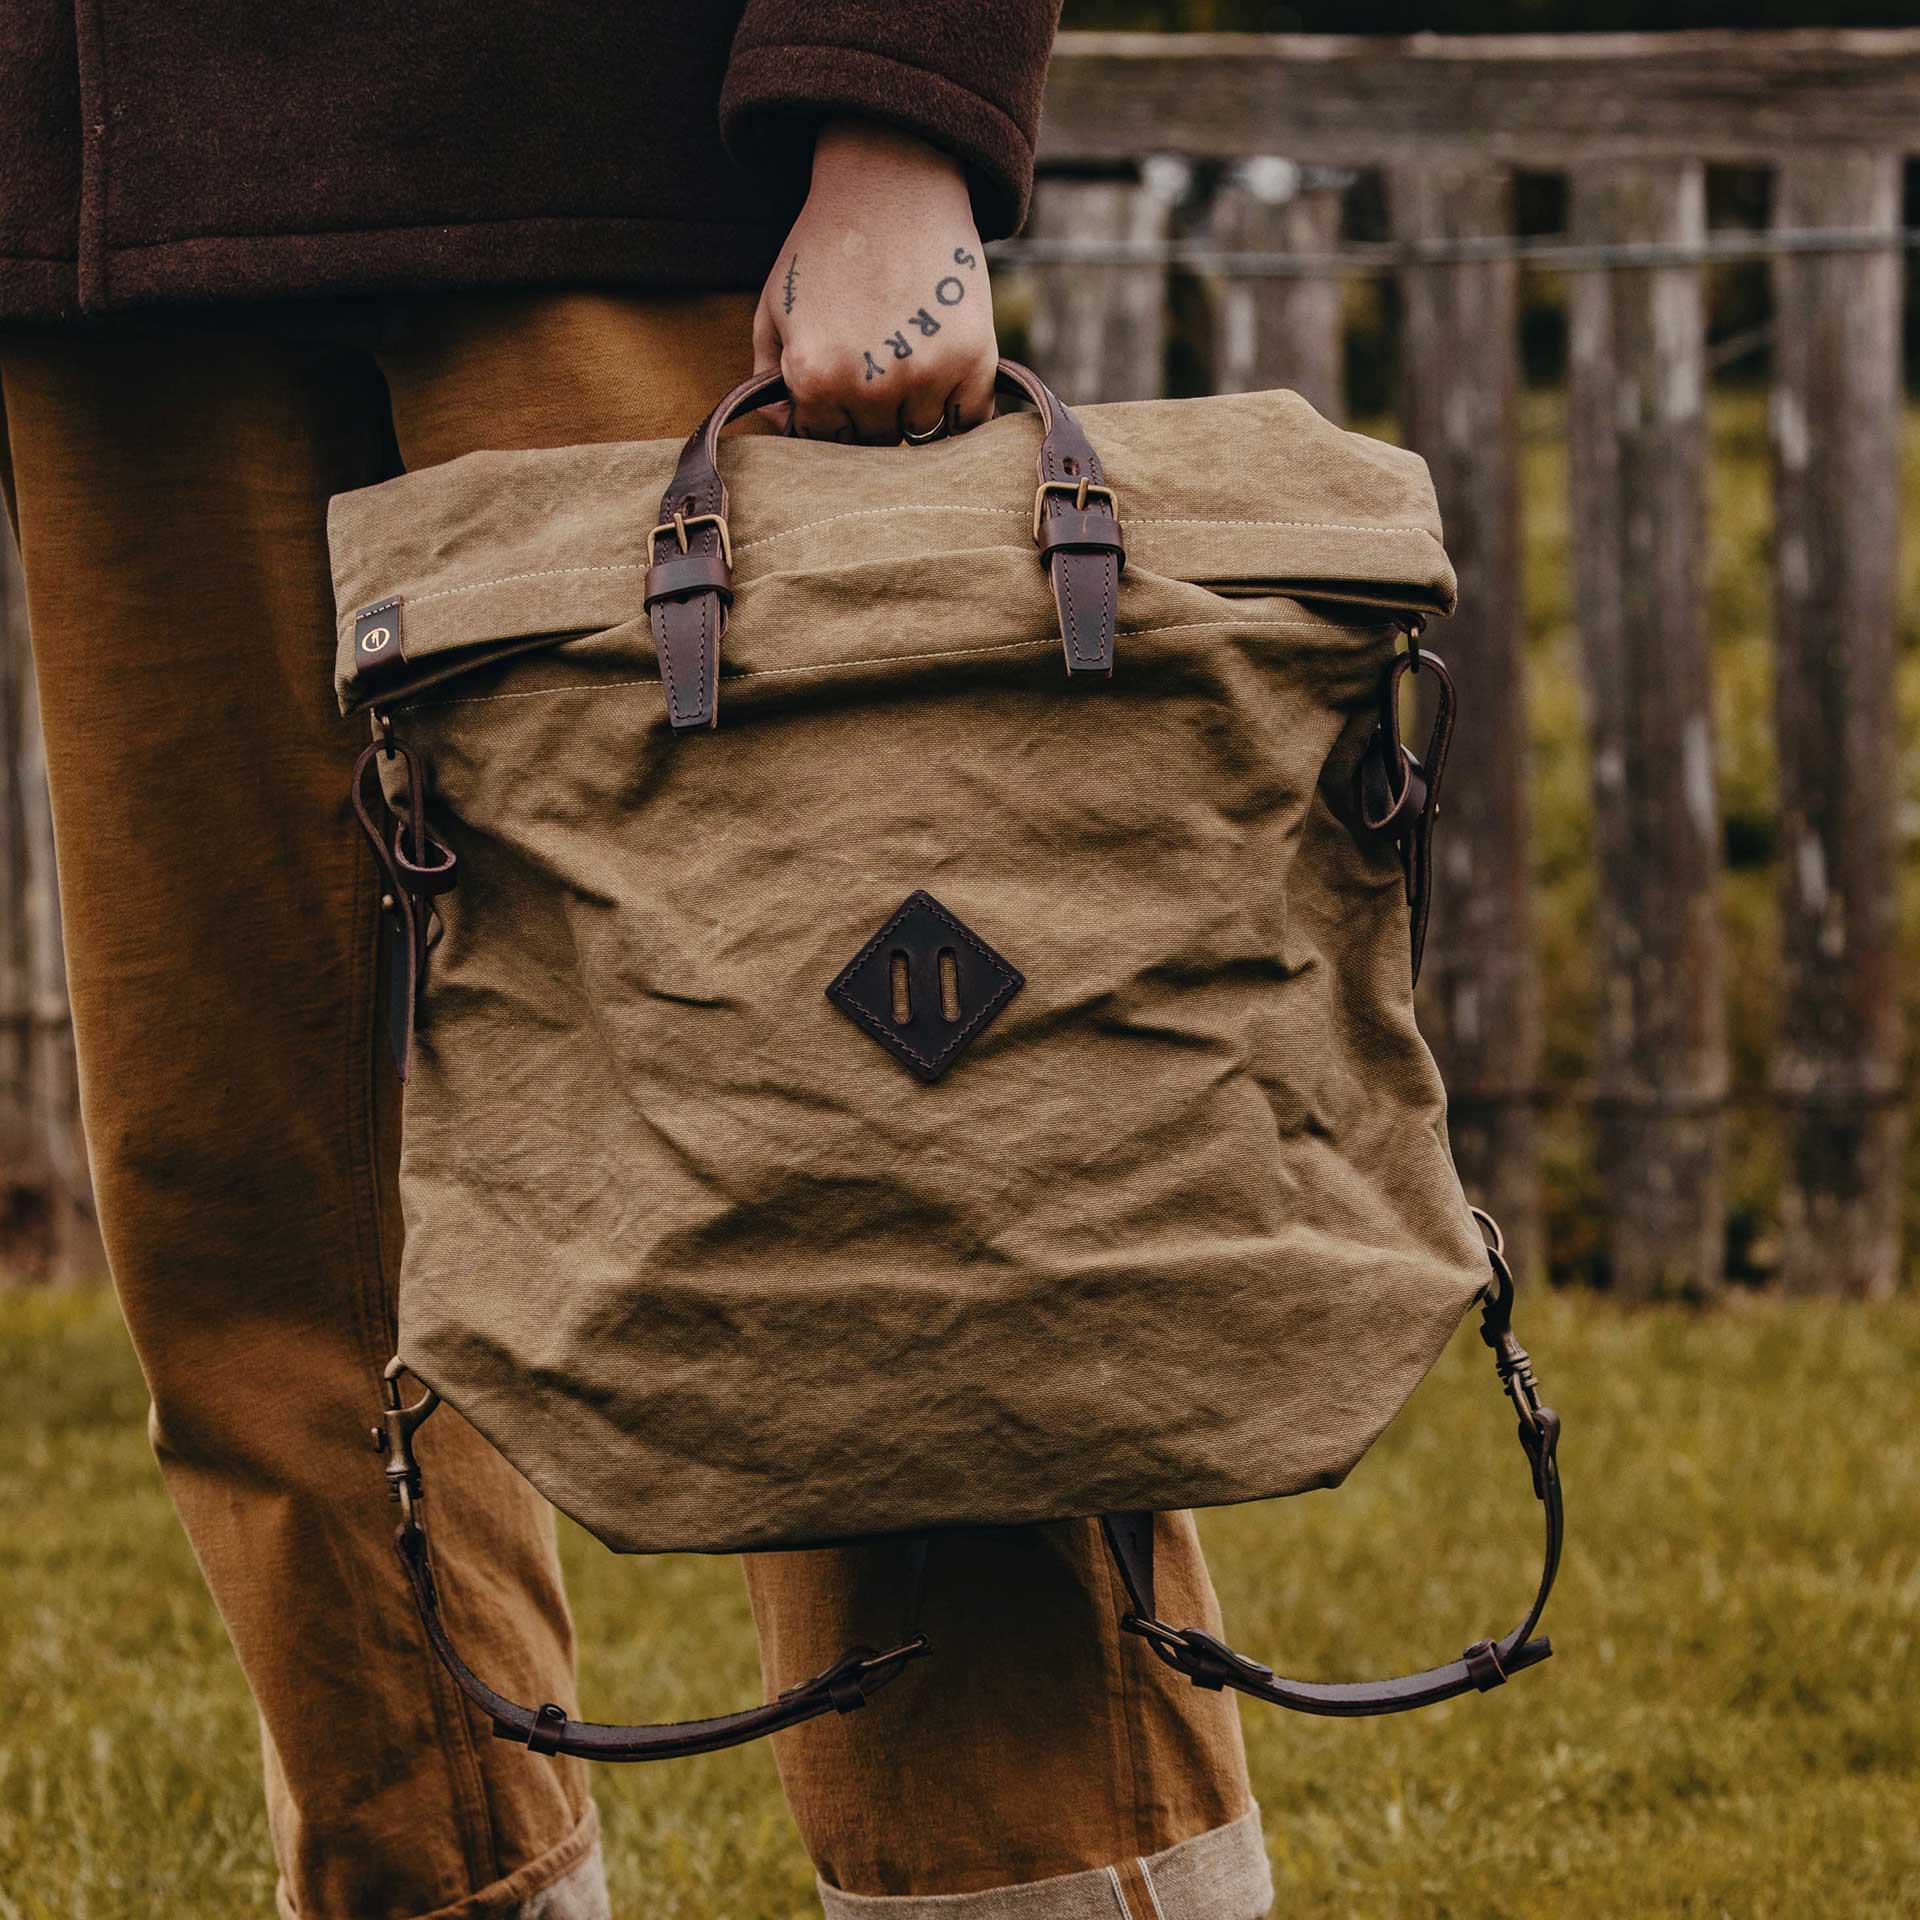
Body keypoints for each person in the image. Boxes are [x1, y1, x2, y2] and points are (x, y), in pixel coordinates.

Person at [0, 7, 1272, 1916]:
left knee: (870, 1156)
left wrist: (903, 106)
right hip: (101, 221)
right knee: (254, 1219)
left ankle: (1048, 1880)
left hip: (618, 153)